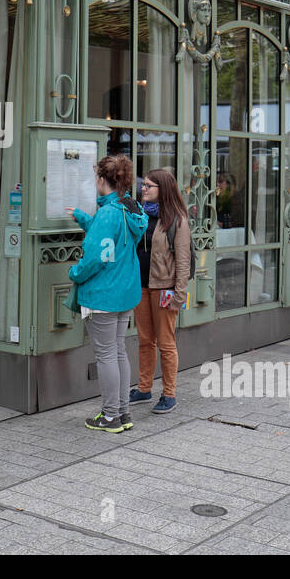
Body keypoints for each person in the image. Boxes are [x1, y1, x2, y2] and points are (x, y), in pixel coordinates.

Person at [67, 155, 148, 433]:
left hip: (103, 294)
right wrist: (84, 219)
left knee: (106, 356)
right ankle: (123, 412)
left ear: (101, 179)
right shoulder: (128, 209)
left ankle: (110, 415)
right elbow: (110, 242)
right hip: (124, 293)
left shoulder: (109, 213)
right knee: (117, 352)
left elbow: (97, 257)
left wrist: (74, 273)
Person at [130, 169, 191, 413]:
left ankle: (169, 394)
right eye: (143, 185)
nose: (143, 189)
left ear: (162, 190)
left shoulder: (177, 219)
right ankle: (144, 388)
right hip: (141, 286)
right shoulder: (140, 216)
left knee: (166, 343)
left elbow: (184, 259)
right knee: (145, 341)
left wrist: (180, 294)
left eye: (149, 186)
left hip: (164, 288)